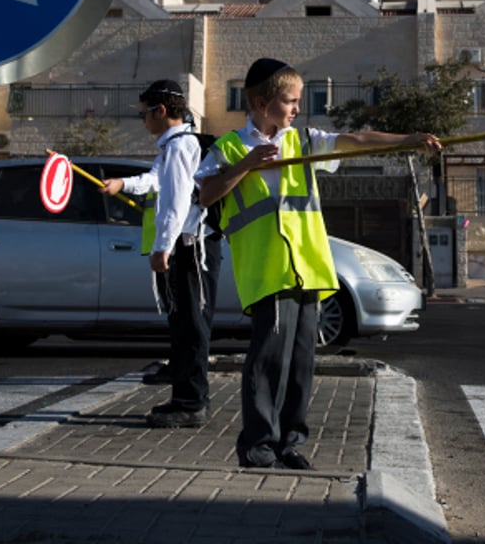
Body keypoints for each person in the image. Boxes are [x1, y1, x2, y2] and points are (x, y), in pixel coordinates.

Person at [196, 58, 440, 469]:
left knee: (300, 363)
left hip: (308, 269)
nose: (296, 109)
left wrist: (408, 140)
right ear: (260, 102)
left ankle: (290, 443)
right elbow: (206, 194)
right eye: (289, 101)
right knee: (268, 360)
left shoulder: (304, 142)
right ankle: (258, 445)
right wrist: (246, 165)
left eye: (297, 101)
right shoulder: (229, 147)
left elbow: (354, 140)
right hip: (268, 272)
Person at [100, 79, 220, 428]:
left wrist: (161, 248)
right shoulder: (175, 145)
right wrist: (123, 185)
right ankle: (185, 394)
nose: (143, 121)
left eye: (144, 113)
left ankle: (192, 403)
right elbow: (157, 180)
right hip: (187, 244)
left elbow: (176, 203)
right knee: (183, 322)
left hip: (190, 245)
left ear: (161, 111)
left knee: (192, 324)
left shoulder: (181, 146)